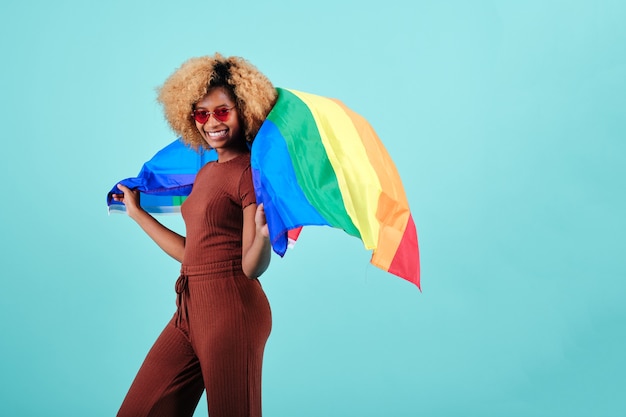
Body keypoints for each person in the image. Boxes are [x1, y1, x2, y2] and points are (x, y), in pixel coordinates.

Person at [111, 53, 277, 417]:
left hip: (231, 309)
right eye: (202, 114)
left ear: (244, 110)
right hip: (189, 309)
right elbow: (193, 253)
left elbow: (251, 266)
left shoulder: (250, 172)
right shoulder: (205, 174)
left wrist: (263, 237)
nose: (211, 123)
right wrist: (137, 214)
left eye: (222, 111)